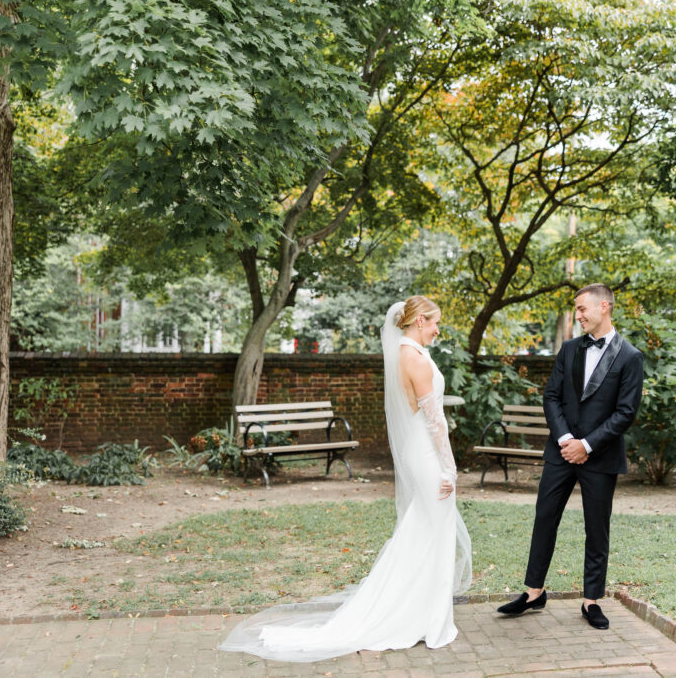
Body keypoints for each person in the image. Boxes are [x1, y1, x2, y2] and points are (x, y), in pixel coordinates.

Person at [219, 296, 472, 662]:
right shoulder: (414, 359)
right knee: (431, 528)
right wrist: (450, 468)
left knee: (424, 529)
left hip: (421, 452)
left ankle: (420, 612)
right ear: (419, 321)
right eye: (434, 323)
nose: (437, 330)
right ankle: (411, 615)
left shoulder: (406, 354)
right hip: (428, 455)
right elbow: (435, 421)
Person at [496, 283, 644, 630]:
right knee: (544, 518)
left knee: (597, 529)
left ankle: (591, 600)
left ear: (604, 307)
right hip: (561, 452)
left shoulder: (630, 356)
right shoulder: (568, 349)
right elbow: (551, 397)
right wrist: (566, 439)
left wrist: (587, 445)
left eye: (582, 309)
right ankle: (534, 592)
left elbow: (625, 413)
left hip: (601, 456)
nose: (578, 316)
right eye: (577, 310)